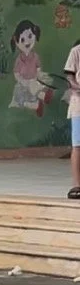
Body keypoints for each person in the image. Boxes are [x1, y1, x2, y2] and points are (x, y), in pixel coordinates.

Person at [64, 41, 80, 199]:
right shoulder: (76, 51)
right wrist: (77, 87)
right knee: (77, 145)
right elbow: (69, 77)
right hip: (79, 107)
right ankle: (77, 185)